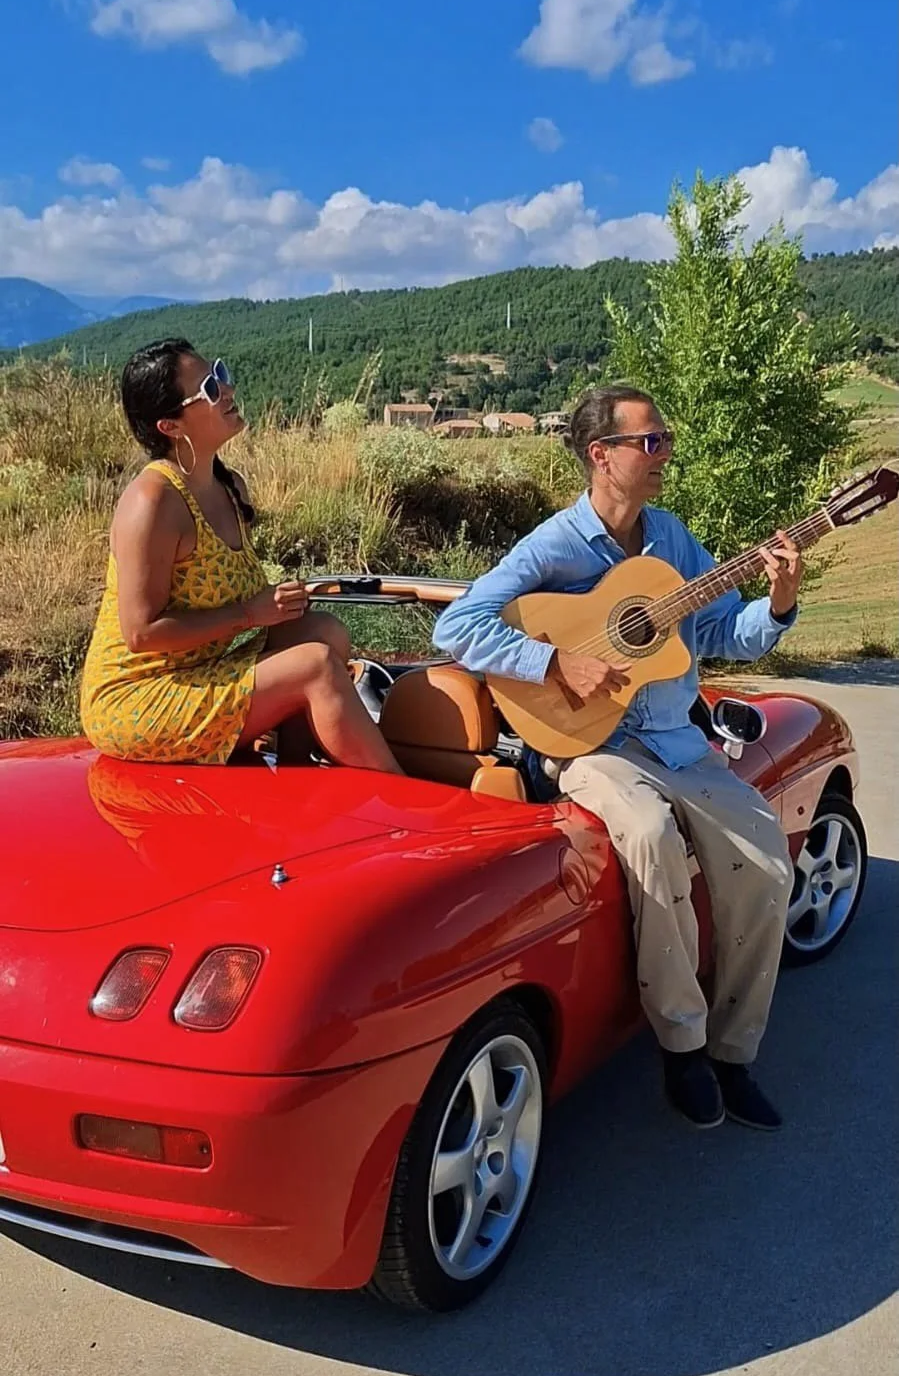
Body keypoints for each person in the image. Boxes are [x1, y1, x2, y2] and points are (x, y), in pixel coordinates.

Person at [433, 386, 802, 1131]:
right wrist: (552, 662)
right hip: (592, 746)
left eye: (664, 440)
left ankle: (733, 1053)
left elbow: (722, 633)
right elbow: (457, 624)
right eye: (650, 442)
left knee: (765, 857)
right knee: (646, 832)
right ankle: (682, 1046)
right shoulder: (555, 545)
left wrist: (780, 598)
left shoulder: (671, 540)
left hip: (673, 742)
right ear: (601, 455)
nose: (664, 453)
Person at [80, 339, 401, 775]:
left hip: (199, 670)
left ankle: (299, 778)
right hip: (138, 699)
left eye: (221, 373)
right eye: (211, 388)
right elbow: (142, 633)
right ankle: (396, 806)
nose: (228, 390)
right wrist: (251, 613)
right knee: (316, 666)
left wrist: (277, 604)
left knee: (324, 632)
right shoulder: (152, 501)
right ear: (170, 426)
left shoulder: (228, 487)